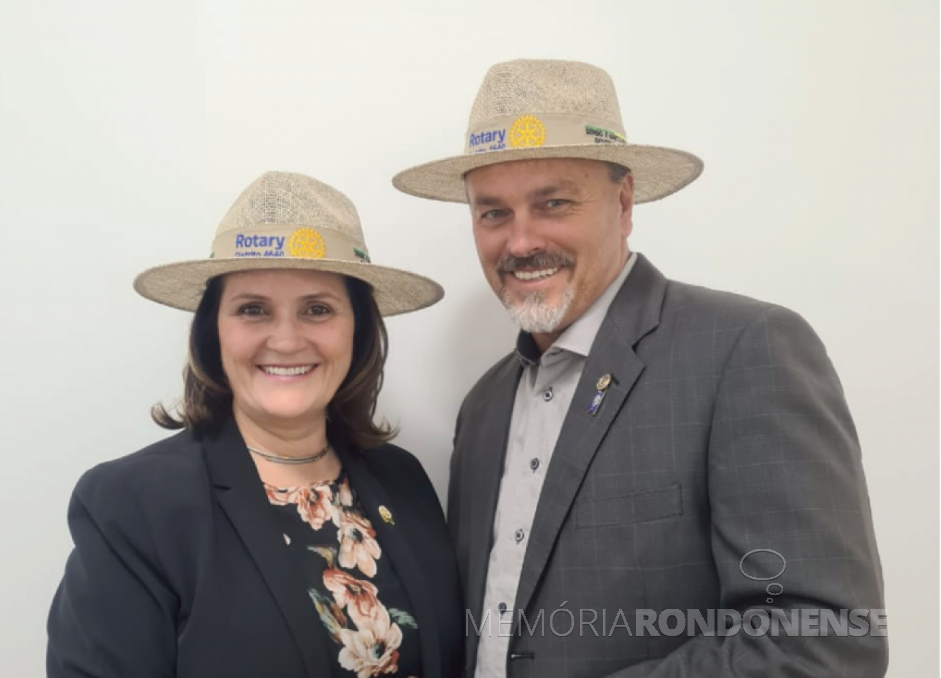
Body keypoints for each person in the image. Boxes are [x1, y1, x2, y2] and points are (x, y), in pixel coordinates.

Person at [393, 59, 887, 677]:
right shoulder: (484, 407)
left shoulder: (745, 350)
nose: (520, 242)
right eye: (493, 213)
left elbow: (825, 640)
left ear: (623, 203)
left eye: (553, 203)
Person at [47, 172, 464, 678]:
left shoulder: (402, 479)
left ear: (357, 329)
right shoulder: (132, 507)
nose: (285, 341)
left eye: (317, 309)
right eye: (252, 310)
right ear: (212, 332)